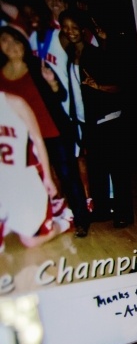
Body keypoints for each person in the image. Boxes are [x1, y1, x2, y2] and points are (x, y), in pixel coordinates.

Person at [0, 25, 86, 235]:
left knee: (67, 176)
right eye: (5, 40)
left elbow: (62, 95)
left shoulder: (37, 64)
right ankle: (35, 220)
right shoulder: (0, 75)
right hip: (22, 140)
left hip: (52, 132)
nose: (11, 45)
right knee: (31, 180)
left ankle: (81, 219)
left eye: (16, 41)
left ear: (24, 44)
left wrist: (53, 83)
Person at [61, 10, 133, 229]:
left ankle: (123, 214)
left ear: (83, 30)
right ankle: (102, 210)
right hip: (88, 122)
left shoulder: (95, 54)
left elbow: (119, 86)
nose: (70, 32)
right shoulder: (71, 57)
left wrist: (97, 86)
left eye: (74, 27)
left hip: (108, 119)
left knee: (117, 169)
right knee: (97, 169)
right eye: (66, 27)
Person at [0, 91, 64, 249]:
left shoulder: (16, 103)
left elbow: (38, 140)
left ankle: (63, 222)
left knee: (30, 241)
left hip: (21, 181)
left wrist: (48, 178)